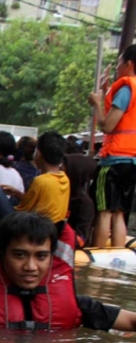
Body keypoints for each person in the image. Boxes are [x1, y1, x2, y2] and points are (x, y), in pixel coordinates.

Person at [0, 211, 136, 332]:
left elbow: (131, 321)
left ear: (52, 257)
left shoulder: (79, 306)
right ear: (1, 254)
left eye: (41, 256)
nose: (31, 267)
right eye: (19, 255)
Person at [88, 44, 136, 248]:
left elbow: (107, 125)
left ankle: (99, 256)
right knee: (119, 213)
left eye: (118, 63)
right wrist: (105, 91)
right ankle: (116, 255)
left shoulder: (126, 88)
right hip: (132, 161)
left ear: (128, 63)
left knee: (104, 211)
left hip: (114, 160)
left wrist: (96, 103)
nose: (117, 67)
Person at [1, 131, 70, 223]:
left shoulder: (41, 181)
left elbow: (22, 210)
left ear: (38, 153)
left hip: (33, 228)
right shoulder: (64, 178)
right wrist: (17, 193)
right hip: (51, 228)